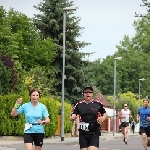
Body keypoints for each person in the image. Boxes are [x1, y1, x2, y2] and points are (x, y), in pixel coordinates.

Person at [69, 86, 107, 150]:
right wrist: (72, 117)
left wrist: (103, 118)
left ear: (92, 94)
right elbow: (72, 115)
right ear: (83, 94)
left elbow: (105, 114)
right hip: (83, 132)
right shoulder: (79, 104)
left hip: (94, 131)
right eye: (86, 92)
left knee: (91, 149)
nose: (88, 93)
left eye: (90, 92)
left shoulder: (98, 104)